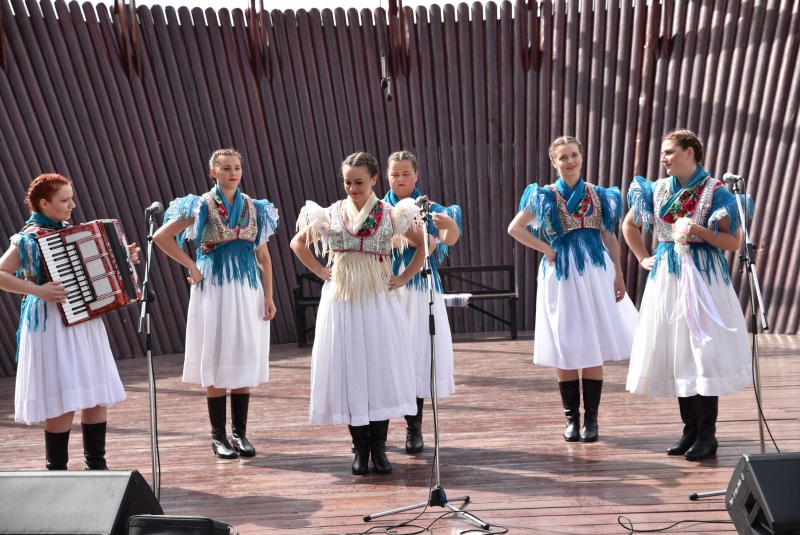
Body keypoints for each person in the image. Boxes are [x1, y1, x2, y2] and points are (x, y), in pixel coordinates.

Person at [622, 129, 752, 461]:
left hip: (705, 278)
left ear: (690, 152)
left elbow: (732, 242)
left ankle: (708, 436)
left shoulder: (716, 191)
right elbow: (629, 225)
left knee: (702, 352)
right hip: (668, 275)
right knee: (678, 348)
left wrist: (700, 231)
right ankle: (690, 430)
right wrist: (641, 258)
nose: (663, 158)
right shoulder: (657, 189)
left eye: (669, 152)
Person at [290, 151, 423, 475]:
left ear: (375, 180)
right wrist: (321, 271)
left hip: (378, 300)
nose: (352, 187)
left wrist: (404, 277)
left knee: (378, 370)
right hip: (343, 302)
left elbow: (424, 245)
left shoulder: (391, 214)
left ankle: (379, 448)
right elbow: (297, 243)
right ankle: (359, 449)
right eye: (347, 181)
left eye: (359, 182)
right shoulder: (330, 214)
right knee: (350, 369)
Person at [0, 173, 138, 470]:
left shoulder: (72, 231)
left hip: (84, 318)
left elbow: (95, 267)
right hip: (51, 321)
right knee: (62, 396)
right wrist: (38, 290)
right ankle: (57, 469)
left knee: (94, 393)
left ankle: (96, 465)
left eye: (72, 198)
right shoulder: (28, 238)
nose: (72, 205)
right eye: (64, 200)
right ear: (43, 203)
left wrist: (124, 258)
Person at [507, 136, 638, 442]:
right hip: (562, 275)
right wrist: (547, 250)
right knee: (565, 344)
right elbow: (515, 228)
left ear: (582, 156)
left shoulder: (599, 194)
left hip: (595, 272)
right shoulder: (545, 195)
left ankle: (591, 421)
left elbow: (609, 237)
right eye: (563, 157)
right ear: (554, 162)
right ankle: (571, 419)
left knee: (592, 343)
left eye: (574, 154)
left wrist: (618, 275)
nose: (570, 161)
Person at [154, 149, 278, 459]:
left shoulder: (254, 207)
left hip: (248, 287)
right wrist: (190, 265)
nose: (233, 172)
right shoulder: (202, 205)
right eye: (225, 168)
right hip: (215, 285)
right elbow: (161, 237)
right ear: (214, 172)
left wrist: (269, 295)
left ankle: (240, 433)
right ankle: (218, 435)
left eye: (237, 167)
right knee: (217, 351)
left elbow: (263, 256)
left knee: (243, 352)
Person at [383, 150, 461, 453]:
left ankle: (413, 430)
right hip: (385, 286)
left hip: (419, 287)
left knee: (416, 354)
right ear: (386, 177)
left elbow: (448, 239)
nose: (400, 179)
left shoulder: (430, 207)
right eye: (394, 174)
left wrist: (449, 226)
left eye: (405, 174)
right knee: (385, 354)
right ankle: (374, 432)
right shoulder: (376, 208)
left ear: (416, 175)